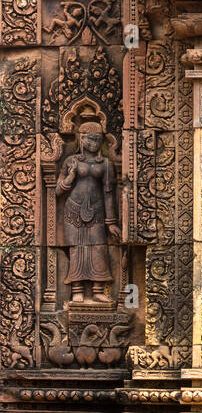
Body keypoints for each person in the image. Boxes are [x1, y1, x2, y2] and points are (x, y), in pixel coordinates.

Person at [56, 126, 120, 304]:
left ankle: (98, 290)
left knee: (98, 247)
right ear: (81, 139)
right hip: (73, 210)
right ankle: (77, 290)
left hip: (97, 211)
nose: (94, 143)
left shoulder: (105, 164)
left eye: (98, 139)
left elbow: (109, 193)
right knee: (77, 248)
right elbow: (57, 190)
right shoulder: (71, 161)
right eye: (90, 139)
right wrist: (71, 176)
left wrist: (111, 222)